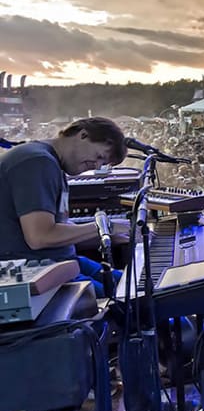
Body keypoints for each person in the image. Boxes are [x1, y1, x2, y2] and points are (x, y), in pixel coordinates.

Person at [0, 117, 129, 297]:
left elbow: (61, 228)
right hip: (40, 273)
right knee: (128, 302)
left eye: (103, 164)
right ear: (83, 135)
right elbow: (40, 236)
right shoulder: (37, 162)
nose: (96, 166)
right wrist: (107, 227)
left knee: (135, 285)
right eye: (99, 157)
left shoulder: (52, 164)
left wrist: (115, 236)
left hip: (63, 261)